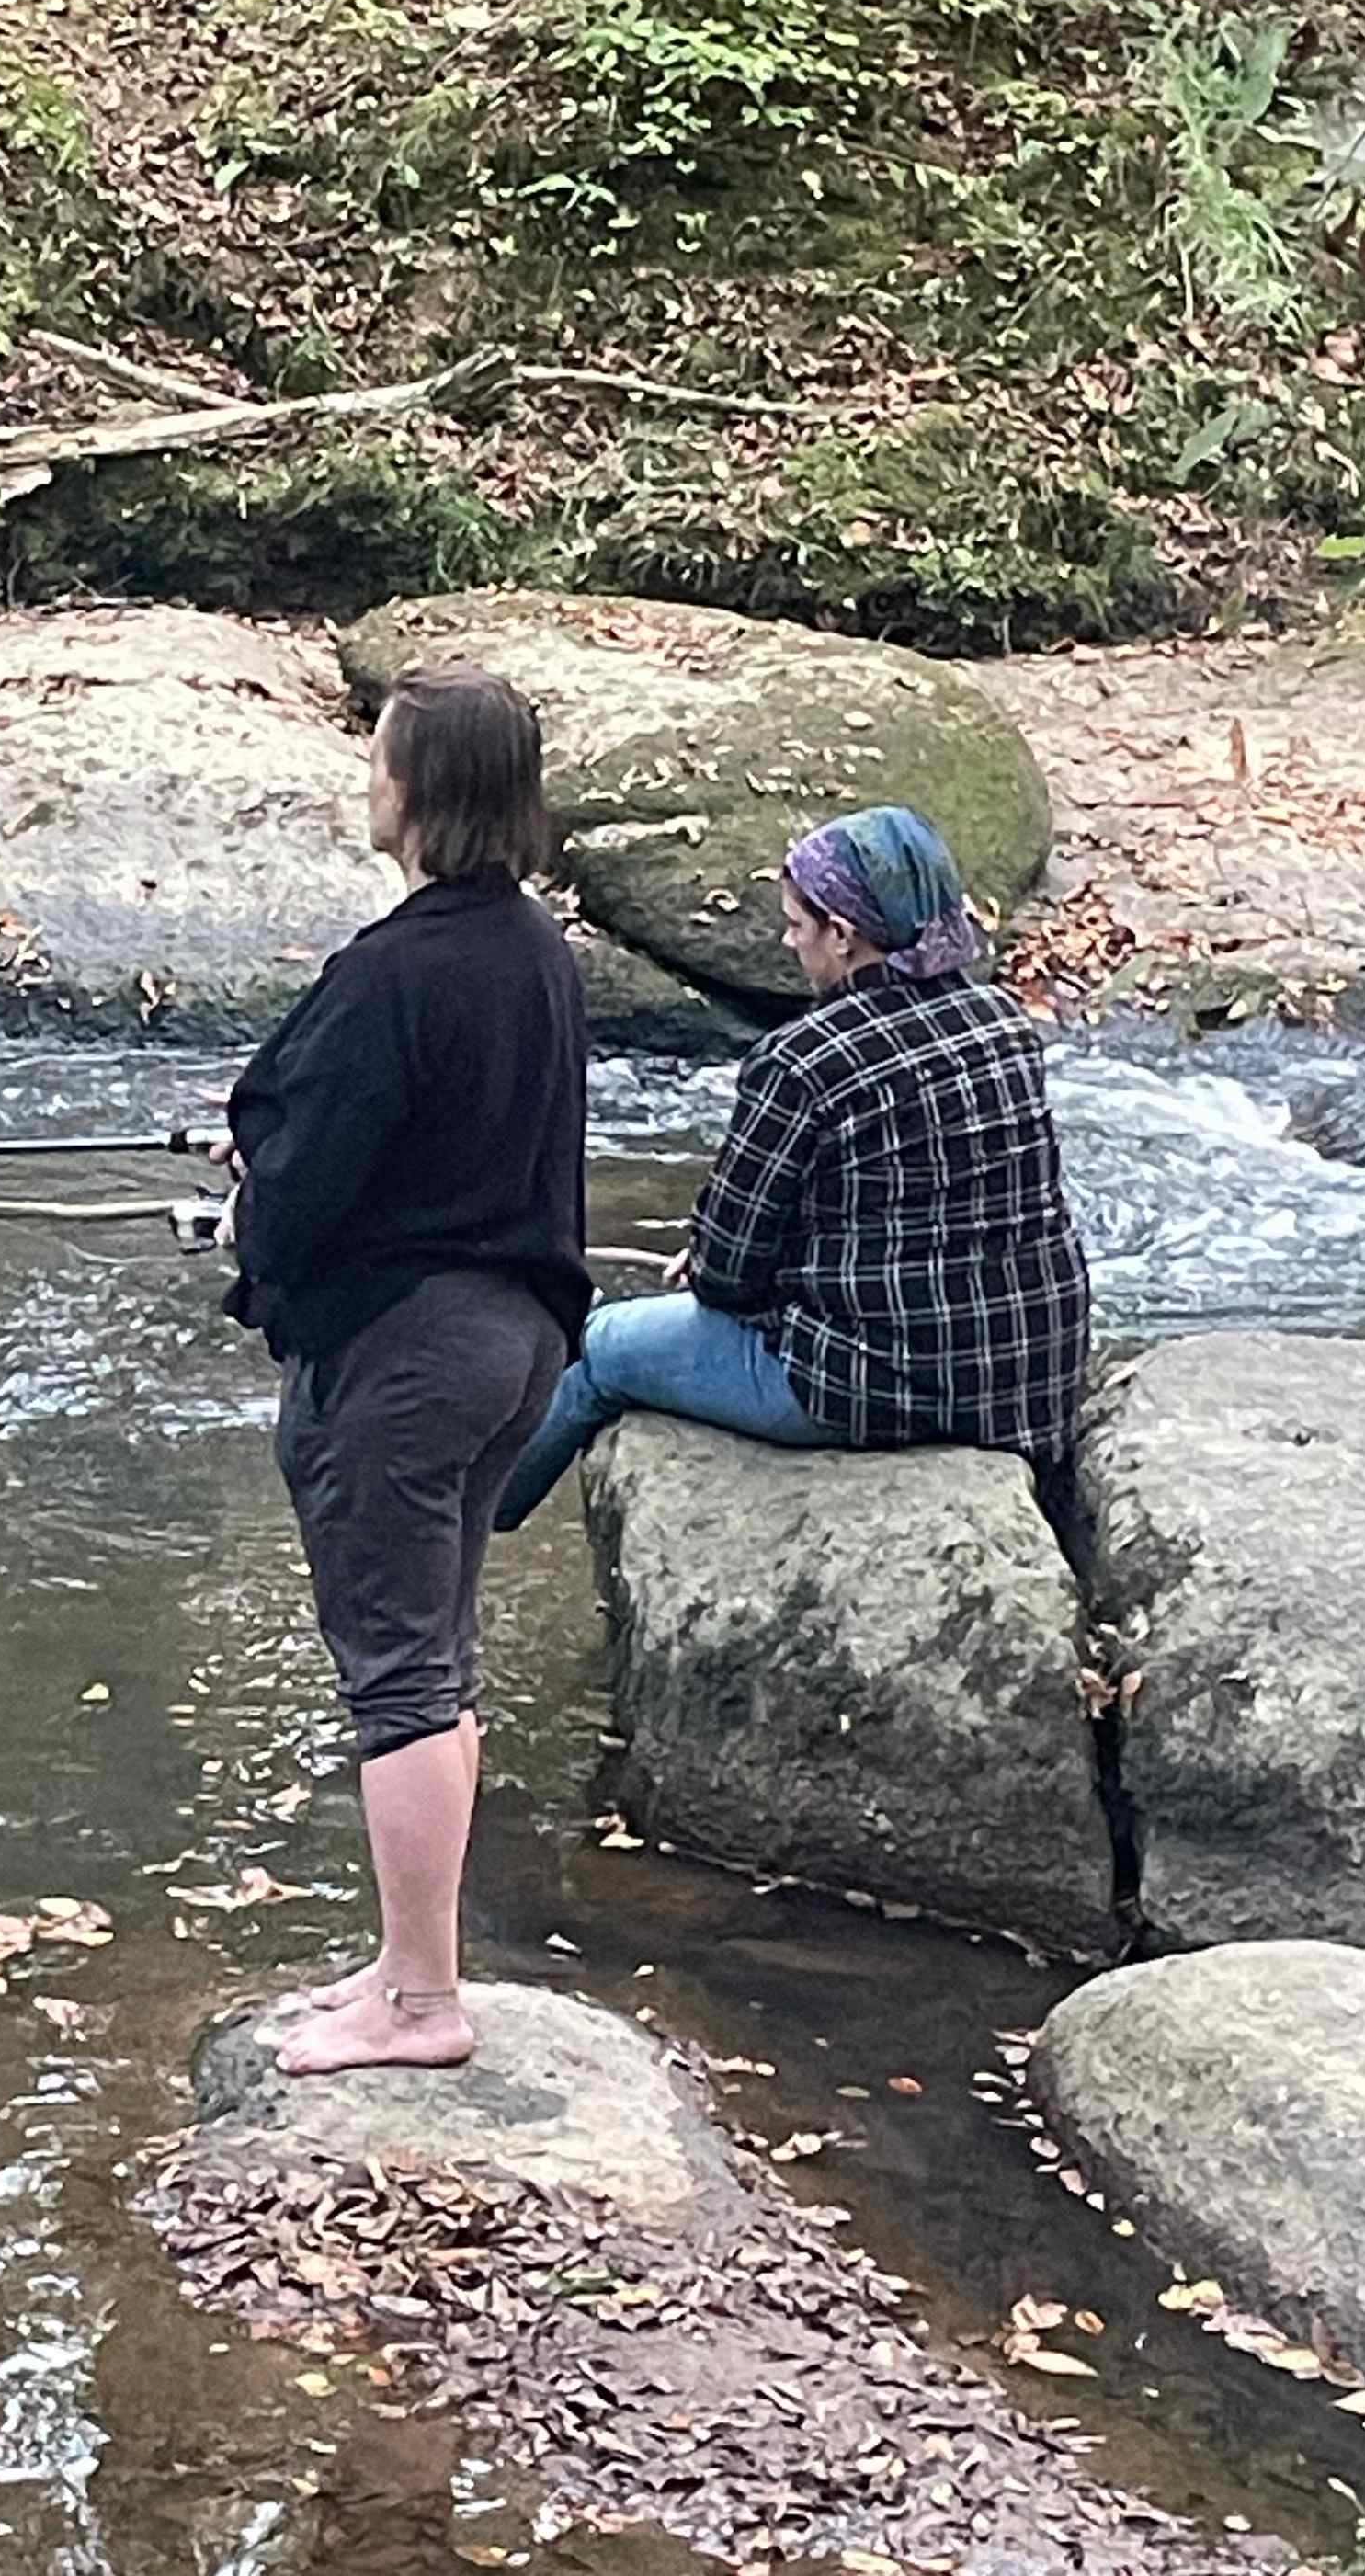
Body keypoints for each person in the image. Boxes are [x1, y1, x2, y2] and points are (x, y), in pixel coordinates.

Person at [218, 663, 590, 2080]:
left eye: (380, 761)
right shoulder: (536, 953)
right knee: (438, 1664)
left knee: (398, 1681)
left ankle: (424, 2005)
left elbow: (311, 1187)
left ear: (424, 791)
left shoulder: (392, 970)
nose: (366, 781)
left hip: (412, 1360)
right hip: (523, 1347)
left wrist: (258, 1188)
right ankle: (406, 1961)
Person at [494, 803, 1087, 1528]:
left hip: (875, 1387)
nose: (786, 939)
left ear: (842, 936)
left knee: (604, 1345)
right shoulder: (1004, 1026)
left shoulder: (803, 1061)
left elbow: (728, 1277)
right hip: (1026, 1376)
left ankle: (466, 1528)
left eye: (797, 924)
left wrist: (710, 1262)